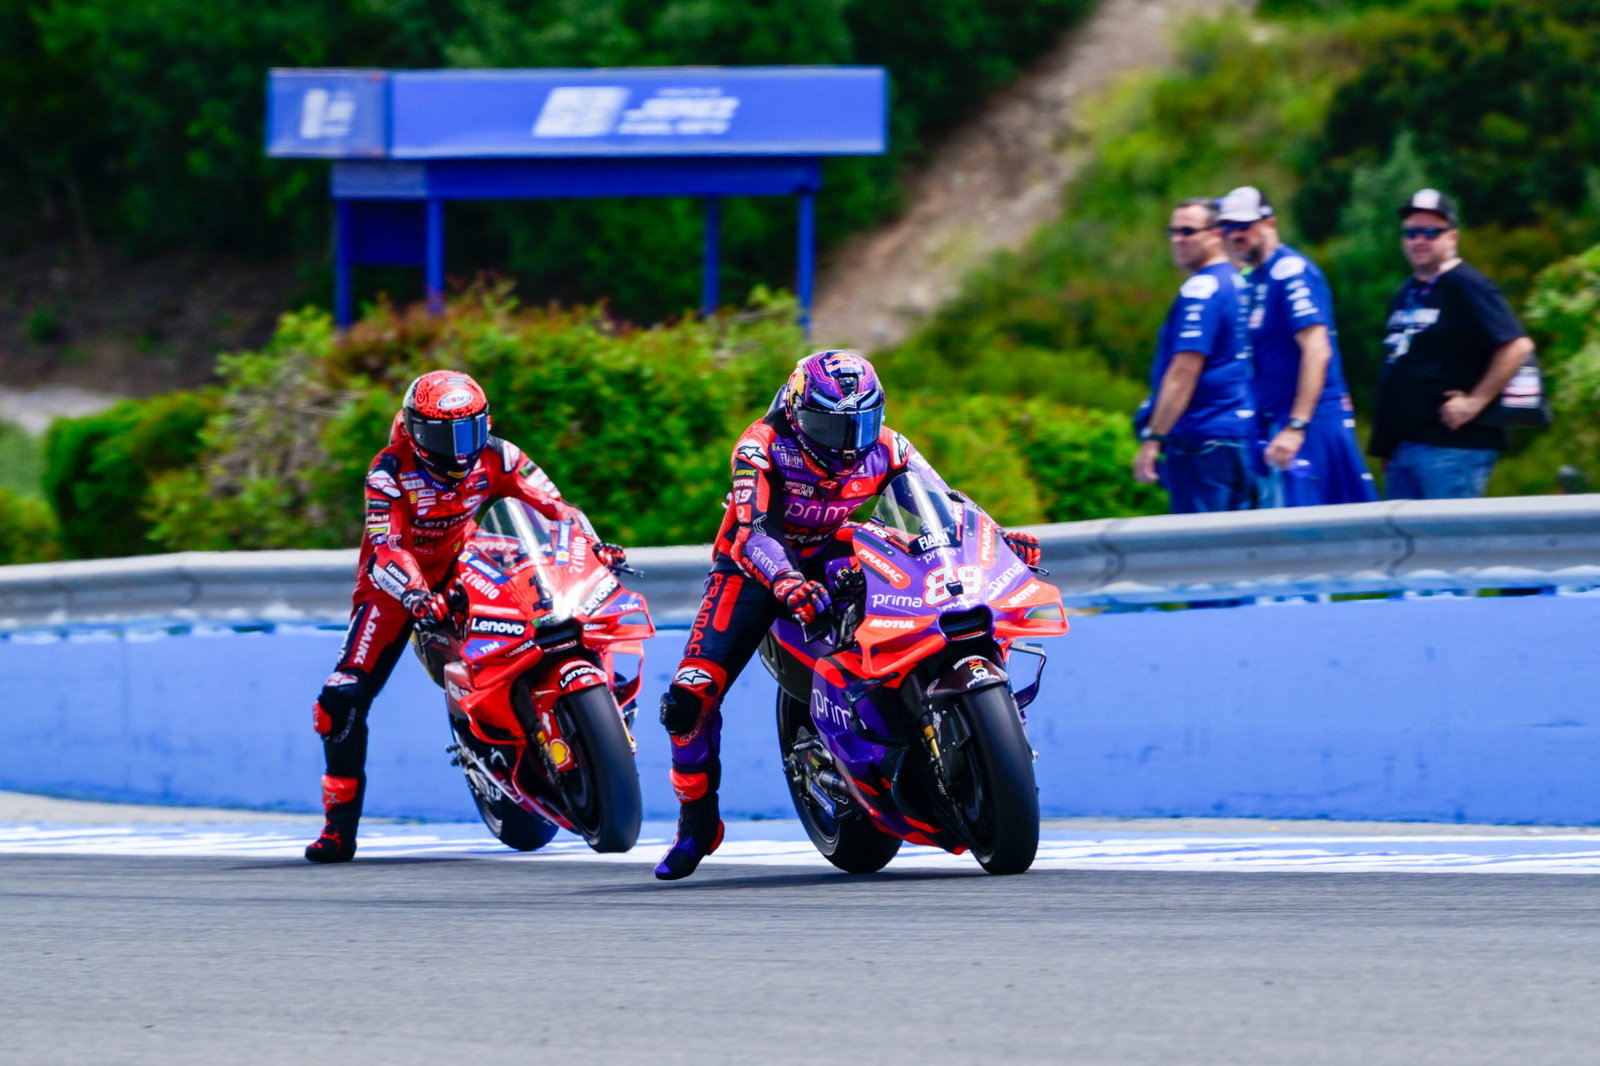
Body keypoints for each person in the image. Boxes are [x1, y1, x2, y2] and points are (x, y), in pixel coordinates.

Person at [654, 349, 1042, 880]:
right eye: (830, 427)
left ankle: (918, 722)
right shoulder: (760, 446)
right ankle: (697, 823)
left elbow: (945, 501)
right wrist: (786, 580)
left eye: (861, 425)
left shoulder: (888, 446)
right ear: (795, 410)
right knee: (688, 699)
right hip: (755, 564)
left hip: (835, 548)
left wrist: (996, 539)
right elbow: (752, 530)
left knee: (933, 589)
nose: (848, 444)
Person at [304, 370, 625, 863]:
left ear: (486, 423)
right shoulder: (388, 473)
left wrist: (593, 544)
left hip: (466, 560)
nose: (458, 448)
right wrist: (413, 594)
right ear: (414, 429)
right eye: (441, 434)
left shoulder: (500, 454)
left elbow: (556, 507)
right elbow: (386, 549)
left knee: (556, 607)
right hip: (396, 586)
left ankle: (571, 714)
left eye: (469, 431)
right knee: (340, 700)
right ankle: (337, 829)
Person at [1368, 189, 1535, 498]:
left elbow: (1517, 346)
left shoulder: (1467, 284)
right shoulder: (1407, 292)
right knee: (1409, 547)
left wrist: (1474, 402)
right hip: (1405, 448)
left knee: (1449, 544)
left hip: (1451, 447)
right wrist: (1387, 443)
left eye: (1431, 232)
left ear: (1452, 238)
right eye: (1412, 233)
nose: (1419, 240)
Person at [1217, 186, 1377, 506]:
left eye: (1245, 226)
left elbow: (1317, 350)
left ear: (1270, 224)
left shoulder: (1290, 272)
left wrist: (1297, 425)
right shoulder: (1254, 278)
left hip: (1307, 426)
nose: (1236, 235)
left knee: (1314, 534)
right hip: (1273, 428)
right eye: (1228, 228)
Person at [1132, 197, 1258, 512]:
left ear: (1216, 233)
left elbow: (1185, 371)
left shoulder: (1201, 290)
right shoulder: (1237, 282)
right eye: (1173, 231)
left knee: (1205, 554)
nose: (1177, 239)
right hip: (1241, 436)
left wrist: (1153, 437)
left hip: (1202, 440)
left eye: (1188, 231)